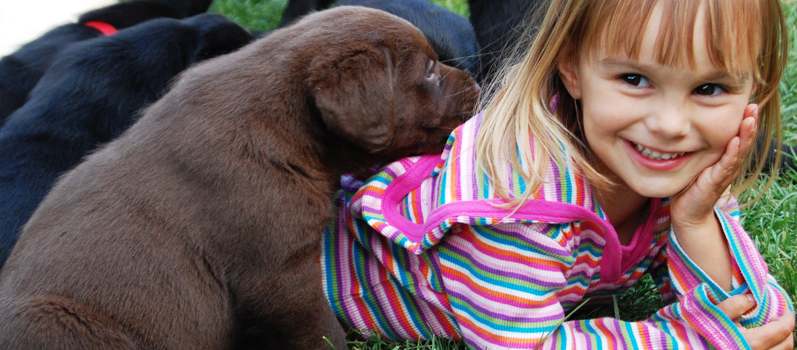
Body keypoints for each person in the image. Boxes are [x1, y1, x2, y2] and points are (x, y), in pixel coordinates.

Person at [321, 0, 795, 349]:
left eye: (710, 88)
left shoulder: (684, 170)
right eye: (633, 79)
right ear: (571, 68)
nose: (671, 125)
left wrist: (695, 221)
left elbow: (768, 325)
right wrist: (683, 340)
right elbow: (524, 344)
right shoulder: (517, 198)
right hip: (304, 278)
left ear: (755, 87)